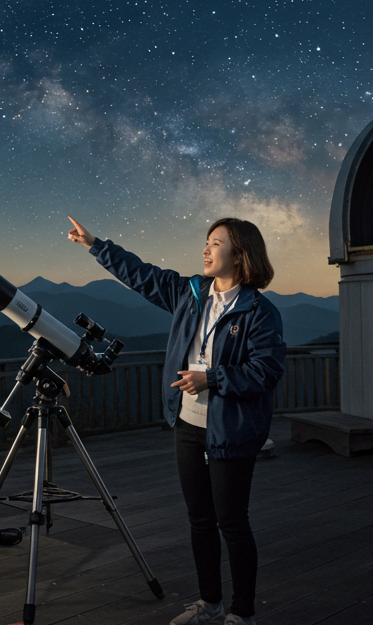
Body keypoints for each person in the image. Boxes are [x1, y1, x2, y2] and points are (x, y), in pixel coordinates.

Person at [68, 216, 285, 625]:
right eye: (206, 241)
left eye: (216, 243)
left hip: (231, 430)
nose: (205, 249)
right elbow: (141, 275)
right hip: (188, 425)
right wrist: (94, 244)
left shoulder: (259, 312)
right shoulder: (190, 292)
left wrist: (212, 377)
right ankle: (210, 604)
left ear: (240, 255)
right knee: (200, 520)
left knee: (232, 524)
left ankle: (242, 614)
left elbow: (266, 371)